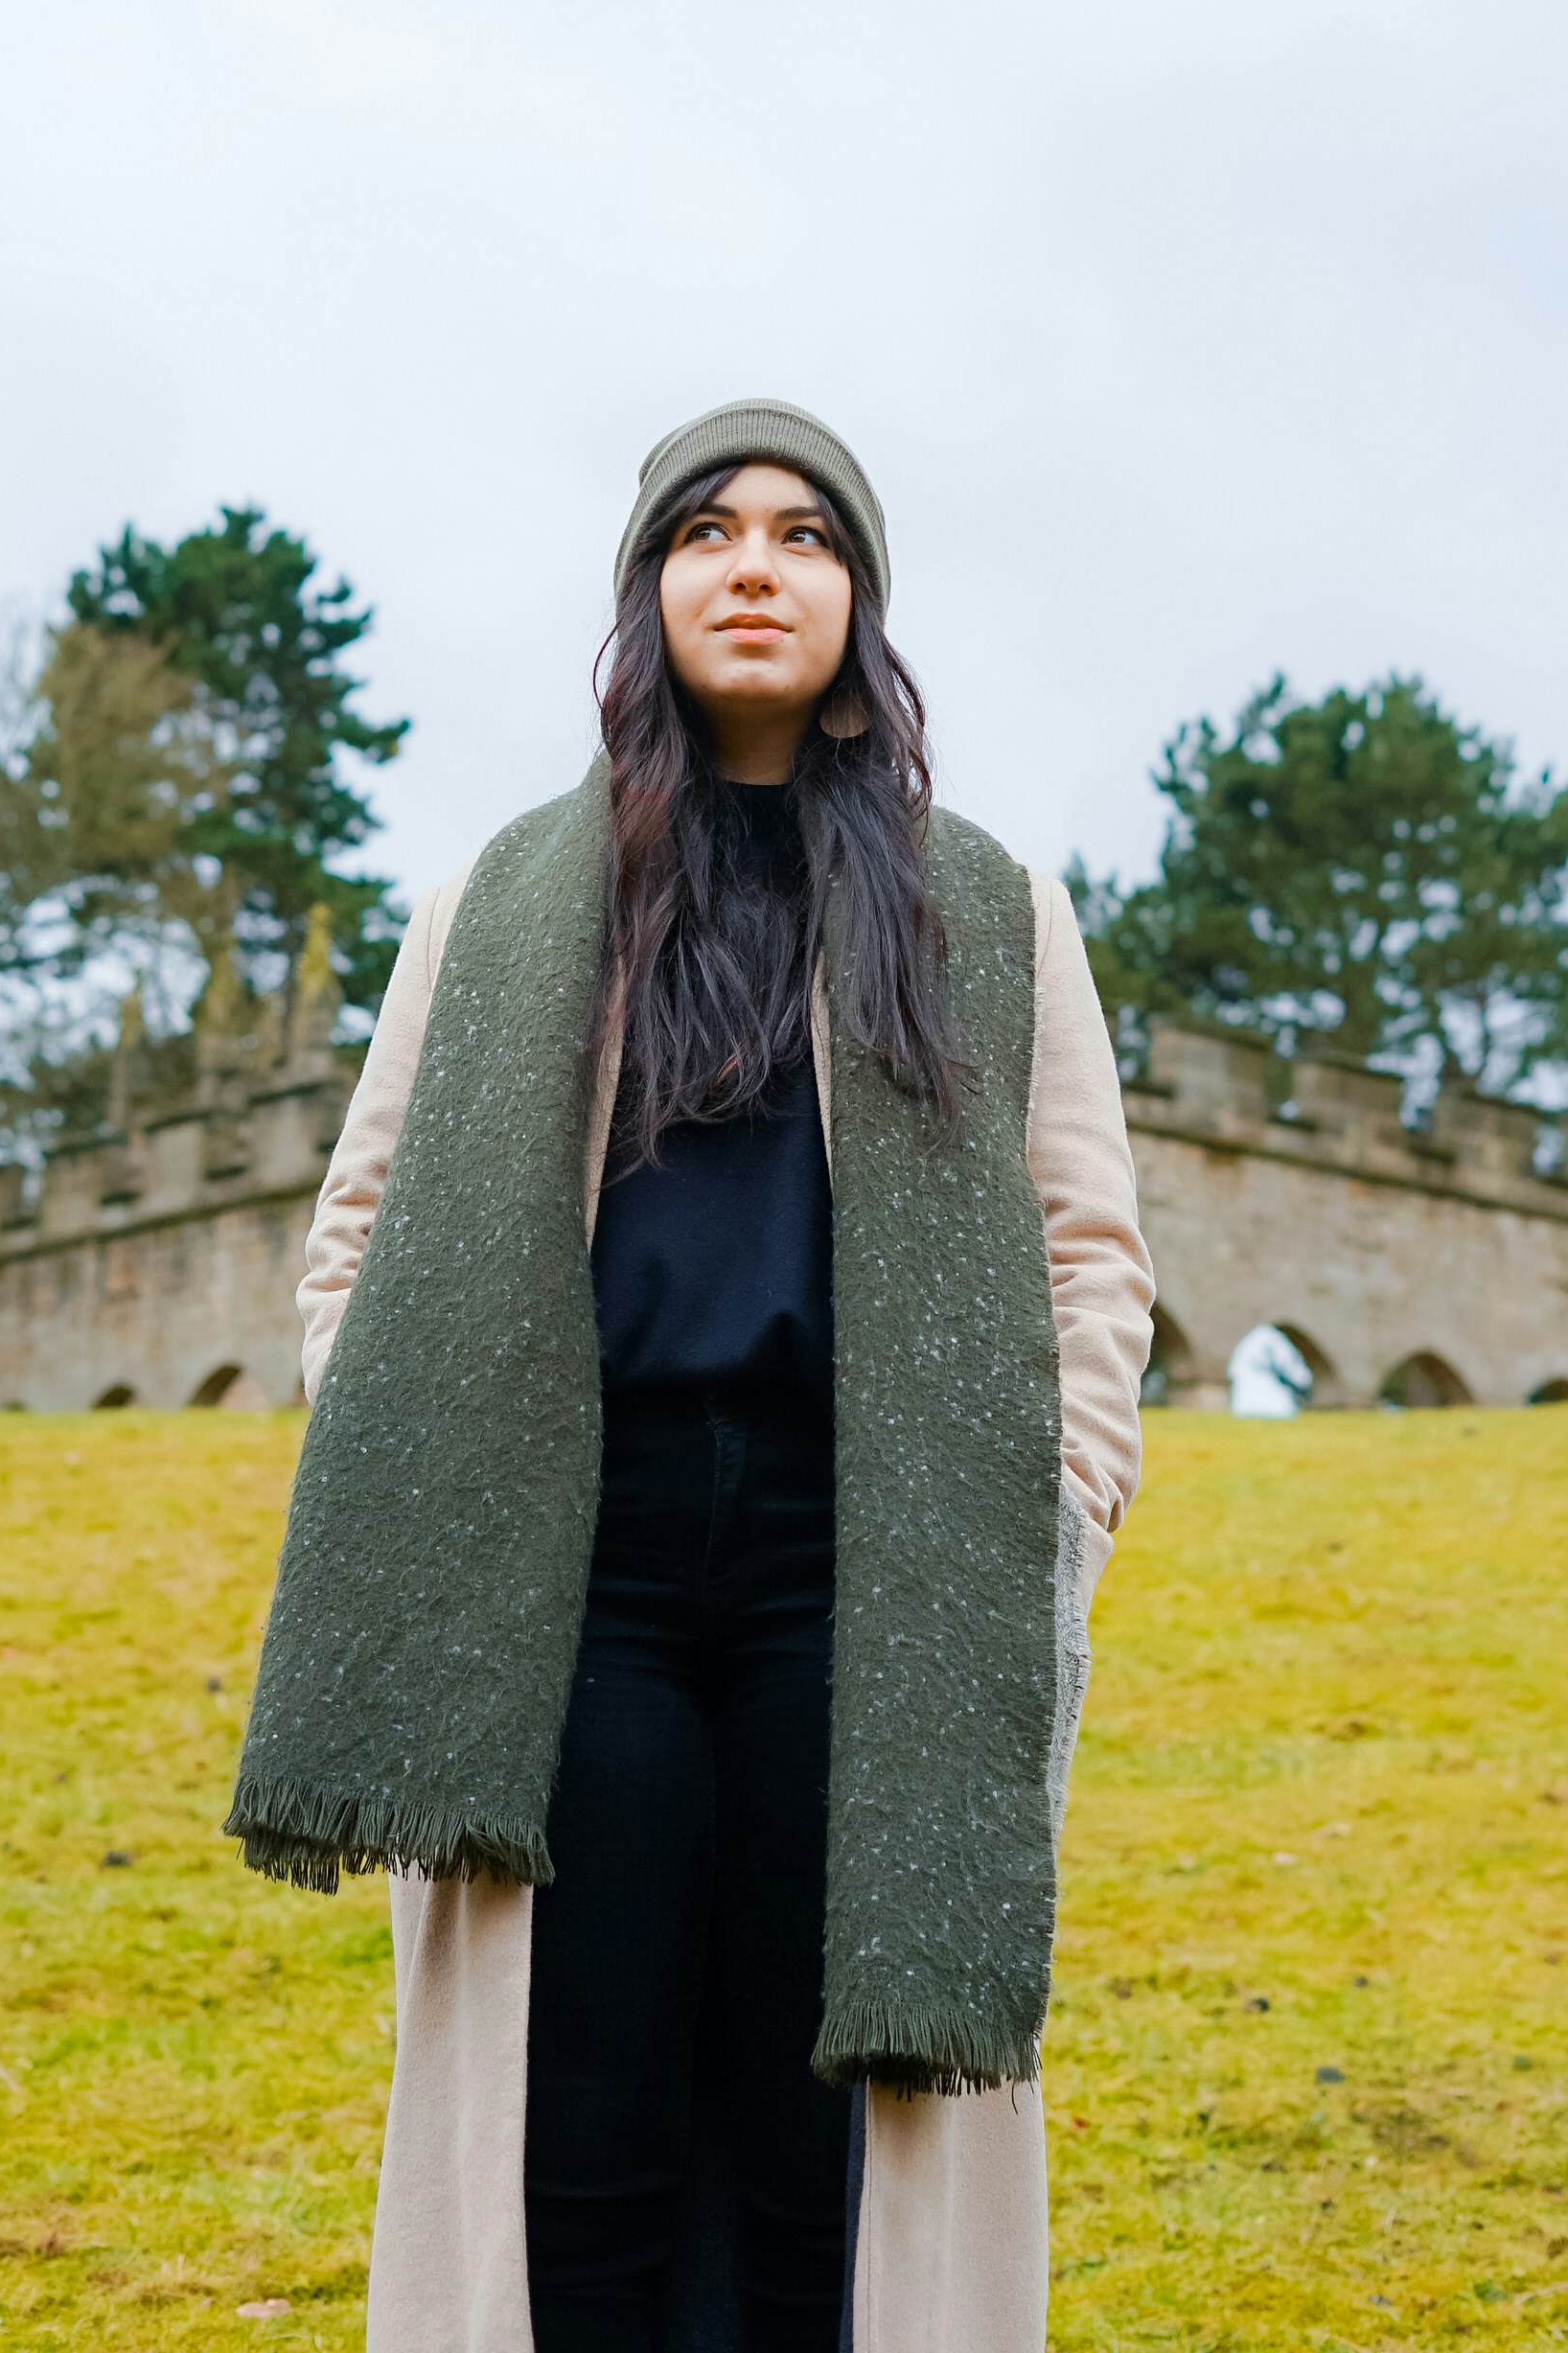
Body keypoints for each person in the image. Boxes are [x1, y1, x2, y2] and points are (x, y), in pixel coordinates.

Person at [228, 401, 1153, 2353]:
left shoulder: (985, 908)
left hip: (869, 1561)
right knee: (583, 2098)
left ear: (857, 606)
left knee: (823, 2125)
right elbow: (363, 1222)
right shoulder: (502, 902)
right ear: (651, 591)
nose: (754, 565)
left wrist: (1053, 1498)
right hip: (579, 1564)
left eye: (805, 536)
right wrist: (416, 1454)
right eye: (709, 532)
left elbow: (1088, 1248)